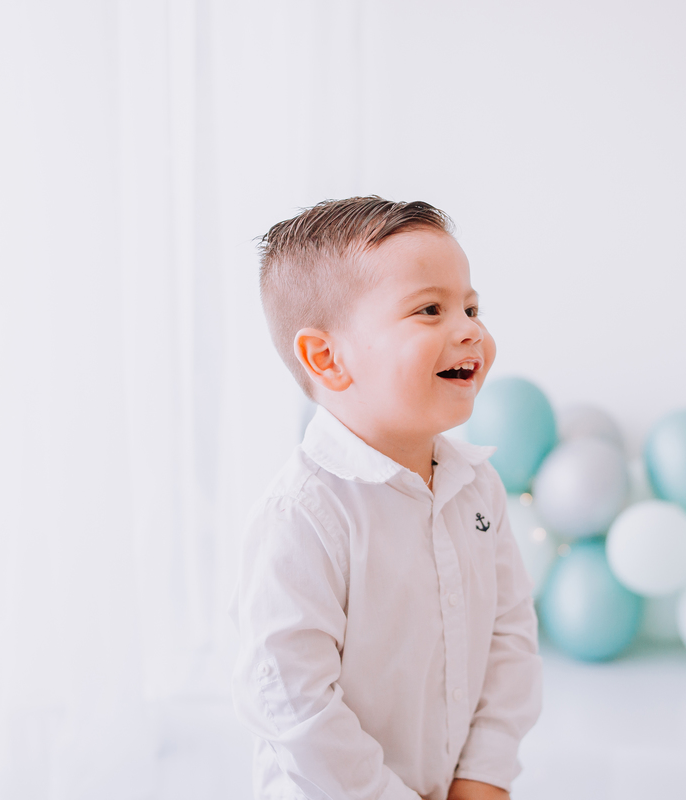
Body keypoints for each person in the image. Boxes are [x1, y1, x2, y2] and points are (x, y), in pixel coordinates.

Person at [231, 197, 543, 800]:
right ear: (327, 358)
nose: (470, 330)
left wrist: (484, 773)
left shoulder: (478, 486)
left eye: (471, 307)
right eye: (430, 310)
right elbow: (291, 701)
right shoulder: (301, 516)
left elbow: (510, 636)